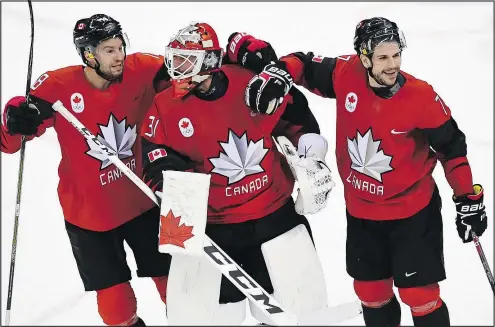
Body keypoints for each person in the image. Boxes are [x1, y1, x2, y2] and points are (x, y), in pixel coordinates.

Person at [240, 17, 488, 327]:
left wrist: (468, 199)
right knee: (371, 293)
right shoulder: (346, 74)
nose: (392, 65)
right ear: (364, 57)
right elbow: (303, 64)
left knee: (419, 295)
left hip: (412, 214)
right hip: (362, 213)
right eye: (383, 57)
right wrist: (280, 72)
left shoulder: (421, 97)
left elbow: (452, 149)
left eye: (396, 55)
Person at [139, 22, 334, 325]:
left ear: (208, 62)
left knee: (296, 307)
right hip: (214, 228)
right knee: (209, 317)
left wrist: (310, 157)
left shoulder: (251, 84)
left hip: (274, 218)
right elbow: (153, 155)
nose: (176, 68)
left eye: (186, 60)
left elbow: (297, 120)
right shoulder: (165, 105)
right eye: (174, 58)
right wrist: (170, 182)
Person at [1, 14, 175, 326]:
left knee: (177, 289)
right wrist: (13, 117)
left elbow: (191, 78)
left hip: (144, 201)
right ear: (88, 54)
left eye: (120, 47)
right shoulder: (58, 87)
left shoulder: (145, 70)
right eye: (109, 50)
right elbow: (10, 144)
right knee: (115, 309)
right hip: (89, 216)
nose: (119, 55)